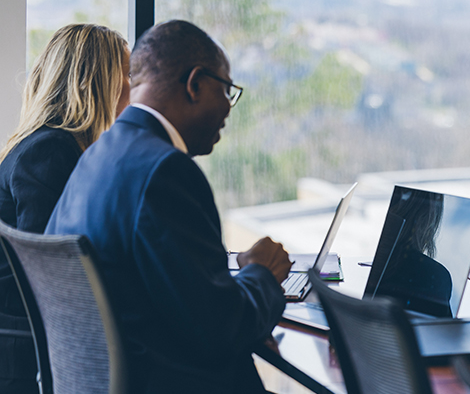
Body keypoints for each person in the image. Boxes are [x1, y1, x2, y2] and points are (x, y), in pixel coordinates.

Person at [45, 20, 292, 393]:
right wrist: (261, 273)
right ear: (194, 84)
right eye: (227, 90)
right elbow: (219, 332)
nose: (228, 108)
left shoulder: (97, 156)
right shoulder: (165, 171)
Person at [0, 23, 130, 394]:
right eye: (128, 74)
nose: (134, 88)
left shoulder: (43, 143)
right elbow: (55, 275)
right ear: (97, 81)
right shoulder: (50, 151)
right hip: (23, 360)